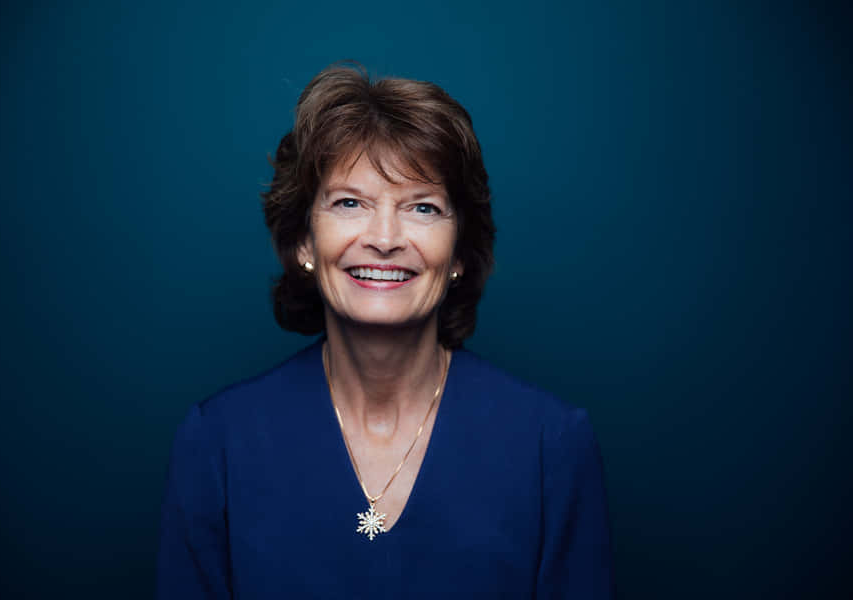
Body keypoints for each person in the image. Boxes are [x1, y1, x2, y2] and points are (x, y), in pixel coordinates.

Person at [157, 63, 613, 599]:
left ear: (460, 252)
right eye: (350, 203)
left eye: (422, 207)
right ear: (304, 241)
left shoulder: (551, 446)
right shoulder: (217, 442)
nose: (385, 238)